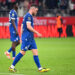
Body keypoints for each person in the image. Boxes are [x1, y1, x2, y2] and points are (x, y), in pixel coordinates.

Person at [9, 4, 50, 72]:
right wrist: (37, 33)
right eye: (36, 11)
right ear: (32, 9)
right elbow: (28, 26)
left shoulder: (27, 16)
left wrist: (21, 37)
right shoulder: (28, 16)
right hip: (27, 38)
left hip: (31, 38)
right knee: (22, 52)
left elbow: (22, 26)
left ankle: (40, 68)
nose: (36, 12)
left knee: (35, 52)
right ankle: (12, 66)